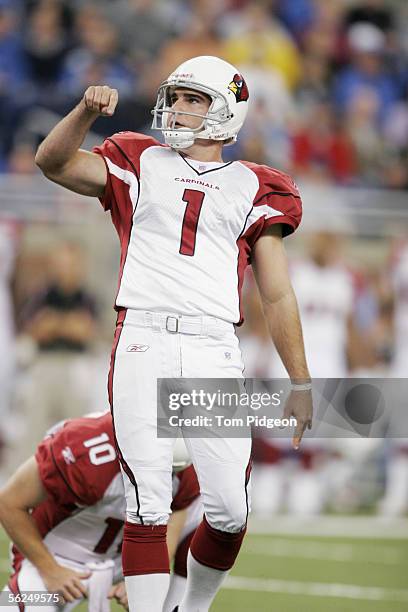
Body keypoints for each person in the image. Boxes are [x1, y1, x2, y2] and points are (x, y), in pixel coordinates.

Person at [34, 55, 312, 612]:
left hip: (213, 346)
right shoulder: (139, 158)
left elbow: (277, 294)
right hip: (143, 336)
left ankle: (192, 605)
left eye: (193, 99)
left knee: (230, 508)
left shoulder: (256, 186)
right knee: (150, 502)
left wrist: (301, 383)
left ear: (226, 110)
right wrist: (85, 114)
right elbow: (53, 162)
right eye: (175, 96)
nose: (177, 108)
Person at [0, 411, 202, 612]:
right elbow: (8, 503)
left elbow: (175, 519)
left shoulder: (186, 464)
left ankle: (183, 607)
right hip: (58, 554)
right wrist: (51, 570)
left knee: (217, 509)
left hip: (127, 554)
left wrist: (149, 576)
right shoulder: (85, 450)